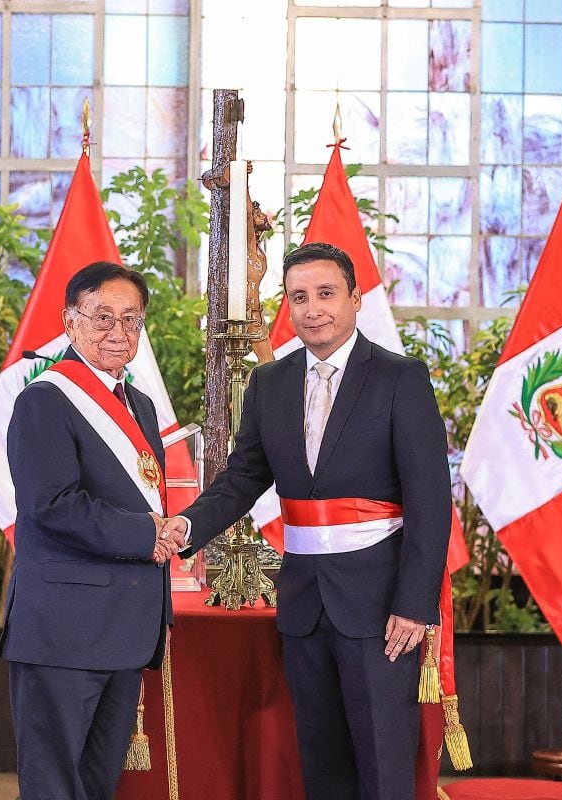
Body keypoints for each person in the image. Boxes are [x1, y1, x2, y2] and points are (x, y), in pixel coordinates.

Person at [163, 241, 452, 800]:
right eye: (299, 297)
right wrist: (189, 525)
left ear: (354, 298)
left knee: (382, 756)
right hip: (303, 598)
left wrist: (414, 606)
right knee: (320, 755)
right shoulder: (269, 383)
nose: (313, 308)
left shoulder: (399, 377)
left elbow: (431, 502)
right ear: (287, 306)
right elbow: (244, 476)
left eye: (326, 294)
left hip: (380, 602)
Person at [1, 261, 182, 800]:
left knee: (98, 782)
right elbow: (50, 505)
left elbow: (142, 495)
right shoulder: (43, 400)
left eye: (131, 321)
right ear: (70, 321)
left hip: (125, 628)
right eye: (102, 318)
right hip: (63, 628)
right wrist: (146, 534)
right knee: (53, 783)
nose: (118, 333)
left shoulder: (141, 406)